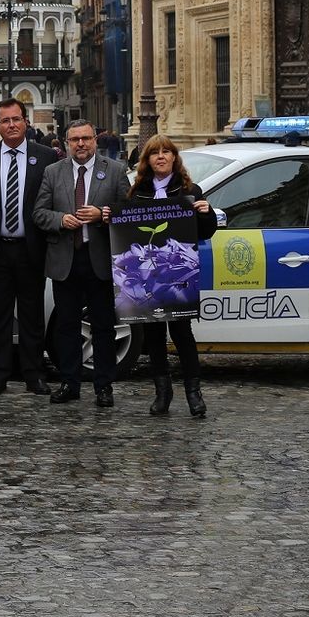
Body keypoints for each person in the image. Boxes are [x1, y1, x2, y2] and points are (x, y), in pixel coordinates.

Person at [34, 119, 130, 407]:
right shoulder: (53, 172)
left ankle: (104, 386)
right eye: (75, 139)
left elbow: (127, 212)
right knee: (67, 326)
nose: (81, 144)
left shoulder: (114, 171)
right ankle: (69, 382)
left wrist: (102, 214)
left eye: (86, 138)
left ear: (95, 140)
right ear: (67, 142)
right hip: (66, 258)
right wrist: (61, 219)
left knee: (103, 325)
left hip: (99, 258)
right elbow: (39, 213)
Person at [124, 134, 218, 417]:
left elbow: (206, 231)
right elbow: (126, 233)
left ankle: (194, 394)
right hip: (149, 276)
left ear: (175, 158)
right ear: (147, 160)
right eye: (155, 153)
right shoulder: (136, 192)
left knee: (182, 333)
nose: (161, 156)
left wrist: (206, 212)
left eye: (167, 152)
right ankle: (162, 392)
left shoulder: (190, 190)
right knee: (153, 335)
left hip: (179, 273)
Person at [0, 99, 50, 395]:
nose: (12, 125)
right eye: (5, 121)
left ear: (26, 122)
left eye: (17, 119)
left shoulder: (46, 157)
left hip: (31, 248)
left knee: (32, 315)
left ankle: (34, 374)